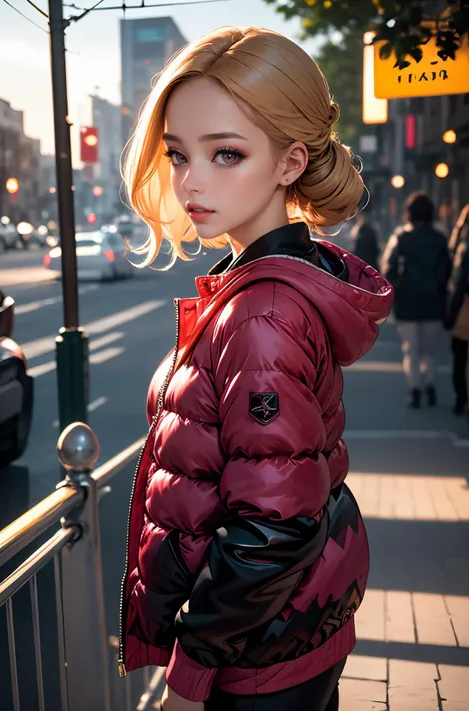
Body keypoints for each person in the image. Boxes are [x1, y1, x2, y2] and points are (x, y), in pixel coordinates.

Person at [118, 27, 393, 711]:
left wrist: (189, 673)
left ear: (290, 162)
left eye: (226, 153)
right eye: (179, 154)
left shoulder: (262, 311)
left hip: (252, 663)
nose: (190, 180)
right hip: (286, 637)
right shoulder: (270, 285)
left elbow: (274, 525)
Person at [381, 191, 451, 409]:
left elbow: (389, 268)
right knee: (429, 350)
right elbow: (446, 271)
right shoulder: (439, 240)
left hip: (407, 301)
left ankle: (415, 389)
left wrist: (397, 288)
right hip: (433, 302)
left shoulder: (401, 238)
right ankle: (430, 383)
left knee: (411, 349)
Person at [446, 204, 469, 416]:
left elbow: (460, 282)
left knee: (460, 357)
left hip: (465, 309)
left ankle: (462, 398)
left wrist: (451, 315)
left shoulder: (465, 246)